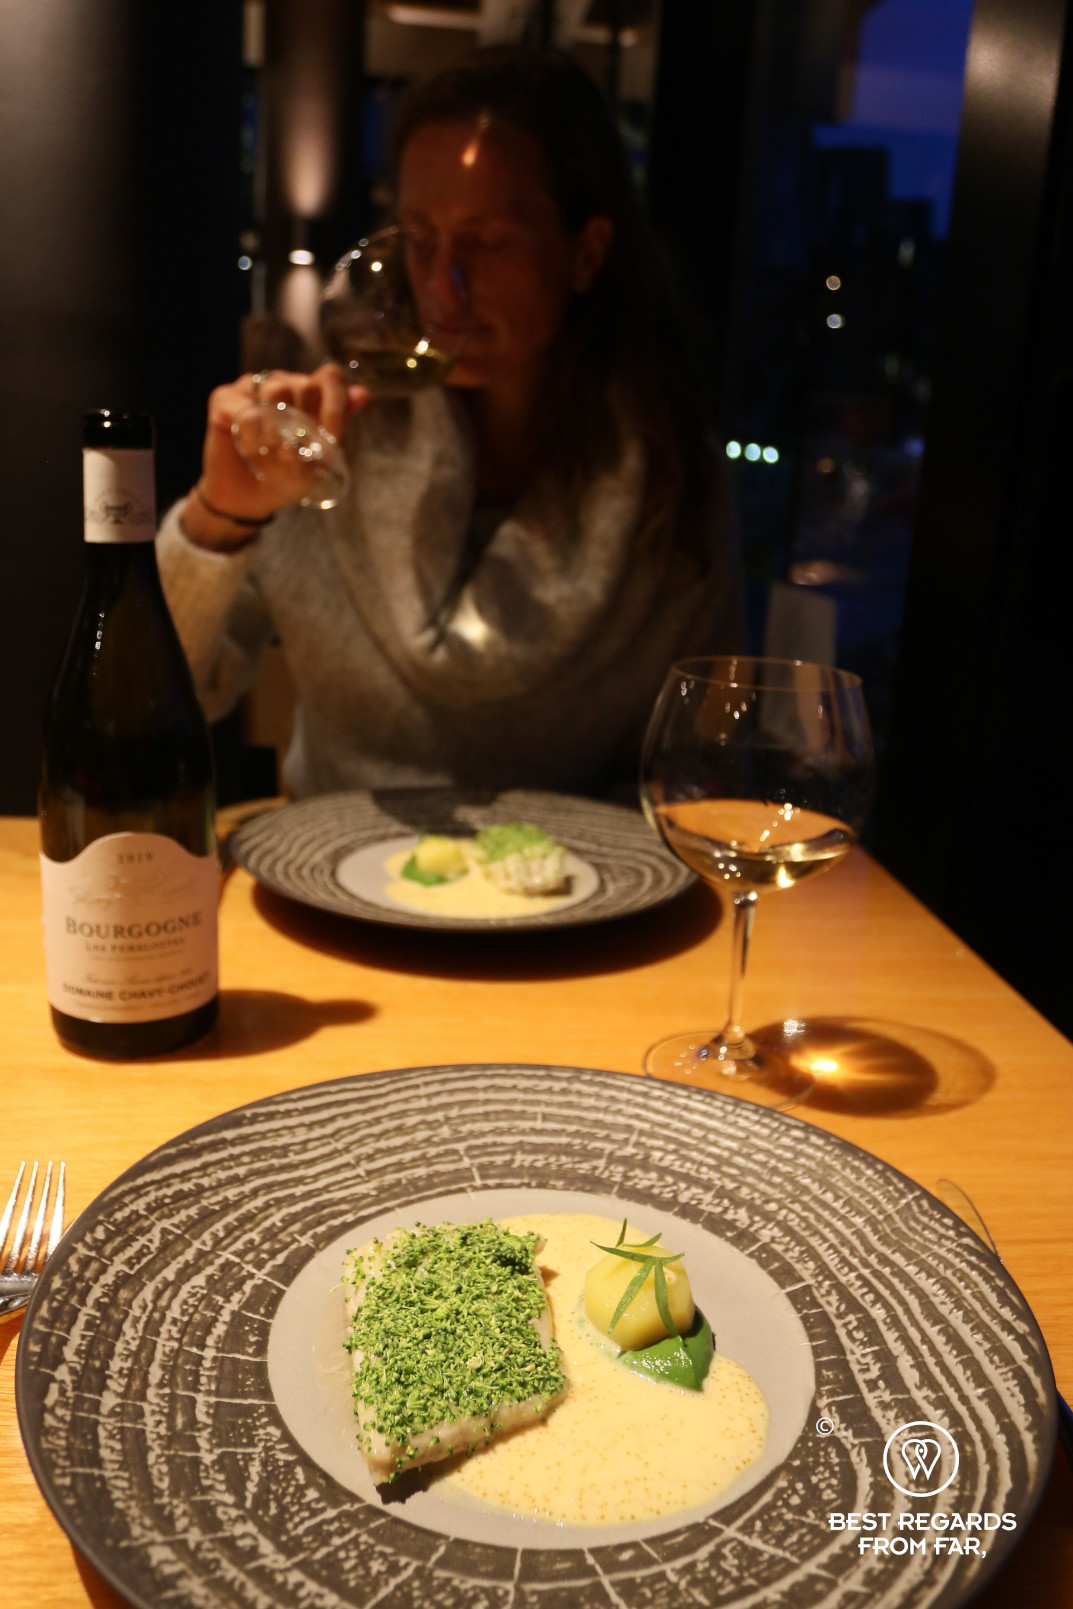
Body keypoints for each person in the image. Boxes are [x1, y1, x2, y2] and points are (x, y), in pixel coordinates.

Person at [158, 47, 742, 799]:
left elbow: (707, 762)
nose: (441, 289)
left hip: (575, 902)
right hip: (324, 887)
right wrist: (220, 515)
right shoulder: (332, 438)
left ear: (586, 252)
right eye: (421, 238)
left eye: (486, 242)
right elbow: (163, 692)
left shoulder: (671, 482)